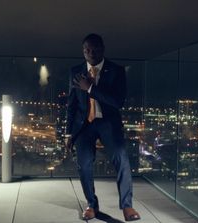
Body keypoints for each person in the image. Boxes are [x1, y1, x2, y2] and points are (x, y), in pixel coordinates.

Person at [65, 33, 140, 221]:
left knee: (121, 160)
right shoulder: (76, 71)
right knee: (84, 165)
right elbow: (72, 105)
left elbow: (117, 101)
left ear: (102, 49)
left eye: (94, 49)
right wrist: (68, 133)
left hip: (108, 122)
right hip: (84, 125)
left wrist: (90, 88)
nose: (90, 53)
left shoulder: (116, 70)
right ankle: (91, 204)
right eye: (86, 50)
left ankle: (127, 206)